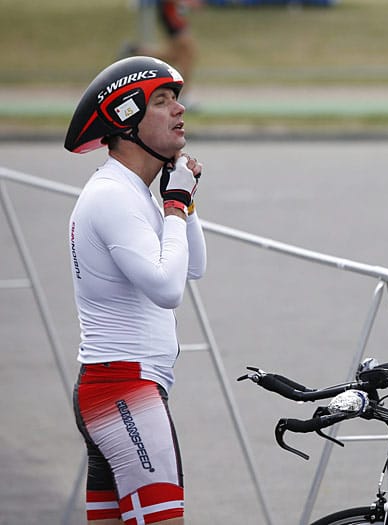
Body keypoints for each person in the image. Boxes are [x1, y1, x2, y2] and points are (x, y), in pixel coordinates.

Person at [64, 55, 206, 524]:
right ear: (126, 121)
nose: (179, 111)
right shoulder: (112, 196)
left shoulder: (133, 192)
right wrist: (176, 203)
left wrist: (180, 201)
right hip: (124, 388)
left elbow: (194, 267)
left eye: (176, 100)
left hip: (119, 386)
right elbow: (167, 289)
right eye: (162, 102)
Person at [128, 0, 198, 103]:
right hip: (171, 15)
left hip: (174, 16)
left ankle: (137, 50)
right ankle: (184, 95)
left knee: (175, 55)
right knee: (186, 55)